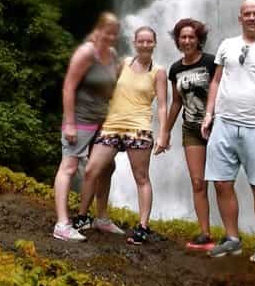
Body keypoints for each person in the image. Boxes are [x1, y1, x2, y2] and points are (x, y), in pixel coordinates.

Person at [202, 0, 255, 264]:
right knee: (221, 182)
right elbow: (216, 80)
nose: (251, 17)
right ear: (239, 18)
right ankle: (232, 239)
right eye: (246, 14)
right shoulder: (227, 45)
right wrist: (208, 113)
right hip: (223, 124)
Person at [76, 25, 169, 246]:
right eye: (141, 41)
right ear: (135, 43)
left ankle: (143, 227)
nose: (145, 45)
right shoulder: (124, 63)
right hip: (112, 125)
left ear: (154, 44)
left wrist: (164, 133)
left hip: (138, 128)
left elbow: (164, 105)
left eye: (149, 41)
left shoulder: (159, 71)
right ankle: (85, 217)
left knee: (141, 177)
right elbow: (106, 87)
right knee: (93, 170)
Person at [53, 12, 119, 241]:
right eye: (107, 32)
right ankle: (62, 224)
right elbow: (68, 87)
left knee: (107, 166)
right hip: (80, 120)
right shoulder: (86, 52)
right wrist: (69, 123)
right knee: (69, 167)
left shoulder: (111, 55)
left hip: (102, 120)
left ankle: (101, 217)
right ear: (98, 30)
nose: (110, 37)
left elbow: (112, 88)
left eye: (114, 34)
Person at [155, 18, 216, 249]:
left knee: (222, 182)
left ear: (199, 39)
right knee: (198, 182)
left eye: (191, 37)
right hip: (191, 128)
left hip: (216, 126)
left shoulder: (211, 62)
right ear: (177, 40)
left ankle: (231, 235)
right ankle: (205, 233)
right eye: (183, 37)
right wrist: (165, 132)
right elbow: (176, 102)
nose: (187, 41)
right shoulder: (175, 69)